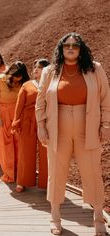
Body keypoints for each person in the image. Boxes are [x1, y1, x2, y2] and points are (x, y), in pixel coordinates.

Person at [35, 32, 110, 235]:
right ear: (61, 48)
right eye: (66, 45)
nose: (70, 48)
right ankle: (55, 216)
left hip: (89, 126)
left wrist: (106, 125)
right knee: (56, 173)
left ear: (81, 49)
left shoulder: (95, 69)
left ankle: (98, 219)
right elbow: (40, 100)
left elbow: (105, 99)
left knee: (93, 173)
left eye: (75, 45)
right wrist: (41, 126)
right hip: (57, 127)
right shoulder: (50, 71)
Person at [11, 59, 50, 193]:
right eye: (34, 67)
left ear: (46, 70)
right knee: (25, 151)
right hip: (27, 121)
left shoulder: (51, 84)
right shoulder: (27, 85)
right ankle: (22, 181)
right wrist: (16, 121)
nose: (35, 70)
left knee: (46, 153)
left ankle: (47, 183)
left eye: (39, 67)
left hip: (46, 121)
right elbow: (19, 105)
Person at [0, 61, 30, 183]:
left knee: (19, 144)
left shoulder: (25, 83)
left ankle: (19, 172)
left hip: (18, 115)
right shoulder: (0, 80)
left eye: (20, 76)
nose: (18, 78)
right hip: (4, 114)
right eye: (16, 75)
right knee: (6, 145)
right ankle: (8, 174)